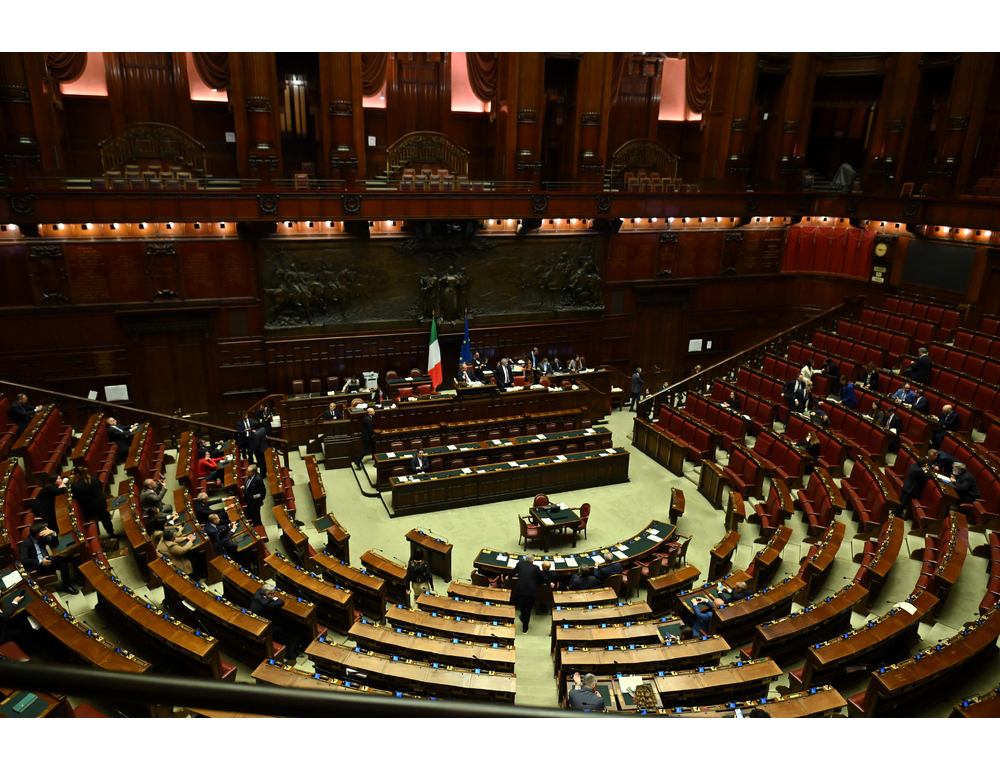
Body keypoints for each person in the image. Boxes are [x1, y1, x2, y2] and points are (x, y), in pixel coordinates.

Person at [250, 580, 304, 660]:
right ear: (267, 594)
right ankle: (289, 655)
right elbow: (281, 602)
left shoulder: (258, 594)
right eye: (273, 593)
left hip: (257, 622)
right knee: (293, 632)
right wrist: (274, 598)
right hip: (266, 629)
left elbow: (259, 589)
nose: (275, 594)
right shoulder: (268, 604)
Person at [19, 521, 78, 593]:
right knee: (51, 559)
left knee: (63, 565)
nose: (46, 530)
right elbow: (24, 559)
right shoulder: (26, 544)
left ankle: (67, 586)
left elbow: (53, 544)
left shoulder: (41, 538)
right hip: (37, 567)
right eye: (44, 530)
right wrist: (41, 562)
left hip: (48, 562)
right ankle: (67, 559)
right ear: (39, 534)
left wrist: (53, 534)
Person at [71, 466, 114, 537]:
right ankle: (111, 534)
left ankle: (97, 535)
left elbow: (75, 497)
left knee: (92, 521)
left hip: (88, 507)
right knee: (105, 519)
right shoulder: (95, 478)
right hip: (101, 503)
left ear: (77, 475)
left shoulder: (76, 485)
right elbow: (100, 487)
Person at [510, 554, 544, 633]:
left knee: (522, 606)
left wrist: (509, 576)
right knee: (528, 609)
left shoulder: (519, 564)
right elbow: (543, 577)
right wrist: (549, 583)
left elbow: (513, 572)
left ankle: (522, 617)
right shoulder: (536, 568)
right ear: (533, 560)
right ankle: (525, 626)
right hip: (530, 592)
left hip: (520, 591)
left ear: (525, 559)